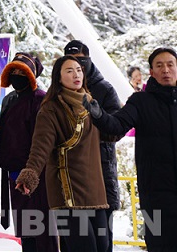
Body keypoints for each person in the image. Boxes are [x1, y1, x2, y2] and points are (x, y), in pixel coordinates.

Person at [83, 47, 177, 251]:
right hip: (156, 194)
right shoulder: (141, 101)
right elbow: (117, 125)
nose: (166, 70)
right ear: (151, 72)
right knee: (160, 244)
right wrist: (99, 115)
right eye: (159, 66)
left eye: (170, 65)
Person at [15, 56, 109, 252]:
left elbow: (111, 132)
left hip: (95, 190)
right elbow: (40, 147)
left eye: (79, 70)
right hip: (67, 191)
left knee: (103, 246)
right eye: (69, 71)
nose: (76, 74)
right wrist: (30, 174)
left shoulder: (91, 104)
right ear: (58, 77)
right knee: (85, 248)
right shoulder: (50, 109)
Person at [0, 53, 58, 252]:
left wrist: (32, 170)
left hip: (36, 175)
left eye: (22, 72)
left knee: (42, 230)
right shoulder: (9, 99)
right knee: (26, 231)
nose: (17, 76)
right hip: (14, 174)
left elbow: (43, 141)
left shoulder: (40, 100)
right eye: (13, 71)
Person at [64, 40, 121, 252]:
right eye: (71, 62)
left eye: (81, 61)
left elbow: (116, 129)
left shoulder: (104, 89)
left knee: (102, 239)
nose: (77, 68)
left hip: (100, 172)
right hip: (70, 176)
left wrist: (94, 120)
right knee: (72, 239)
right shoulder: (58, 92)